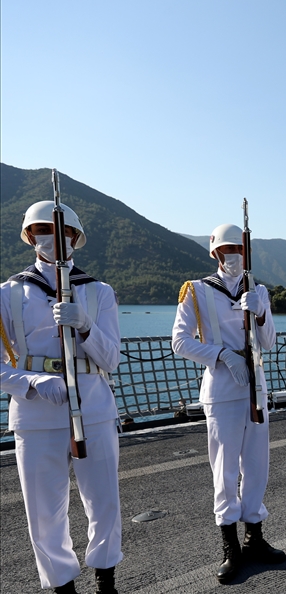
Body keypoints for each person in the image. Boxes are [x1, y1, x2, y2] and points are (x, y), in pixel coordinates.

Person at [0, 201, 122, 594]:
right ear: (30, 238)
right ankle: (63, 587)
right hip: (36, 411)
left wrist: (86, 326)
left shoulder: (99, 292)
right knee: (43, 511)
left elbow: (111, 359)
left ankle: (106, 581)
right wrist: (32, 383)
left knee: (103, 501)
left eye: (62, 232)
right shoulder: (8, 293)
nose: (53, 238)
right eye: (42, 231)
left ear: (75, 237)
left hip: (93, 403)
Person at [172, 223, 285, 584]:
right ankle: (230, 547)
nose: (234, 256)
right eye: (228, 250)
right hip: (222, 389)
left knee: (256, 465)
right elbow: (179, 341)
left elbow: (268, 342)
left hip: (256, 387)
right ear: (216, 254)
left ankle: (255, 538)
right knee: (224, 471)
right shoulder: (197, 291)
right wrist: (221, 354)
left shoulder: (259, 290)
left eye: (239, 250)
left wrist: (262, 313)